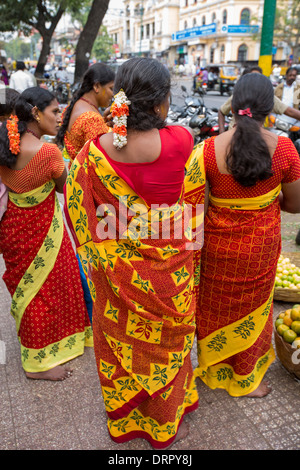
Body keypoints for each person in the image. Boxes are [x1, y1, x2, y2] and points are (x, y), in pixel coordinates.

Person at [65, 57, 204, 449]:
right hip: (169, 269)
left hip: (117, 273)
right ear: (161, 101)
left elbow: (77, 206)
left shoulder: (94, 153)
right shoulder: (180, 141)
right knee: (168, 345)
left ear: (121, 96)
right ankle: (163, 420)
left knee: (119, 344)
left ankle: (127, 421)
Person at [195, 73, 300, 398]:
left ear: (234, 104)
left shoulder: (207, 150)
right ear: (271, 108)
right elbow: (295, 205)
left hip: (216, 248)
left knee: (214, 305)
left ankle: (213, 367)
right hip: (261, 247)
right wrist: (266, 201)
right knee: (255, 308)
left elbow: (196, 208)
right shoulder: (284, 150)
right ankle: (245, 378)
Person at [0, 87, 93, 381]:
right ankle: (37, 365)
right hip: (42, 228)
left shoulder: (4, 143)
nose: (59, 116)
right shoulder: (48, 152)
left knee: (29, 292)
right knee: (46, 291)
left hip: (13, 227)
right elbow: (65, 187)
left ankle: (43, 348)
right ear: (37, 113)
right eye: (54, 111)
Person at [56, 62, 115, 167]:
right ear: (96, 86)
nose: (113, 94)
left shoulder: (75, 106)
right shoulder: (92, 119)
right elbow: (103, 161)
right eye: (111, 88)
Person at [218, 66, 300, 133]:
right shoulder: (282, 146)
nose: (256, 81)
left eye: (259, 78)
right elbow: (221, 111)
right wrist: (221, 133)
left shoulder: (268, 97)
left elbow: (290, 111)